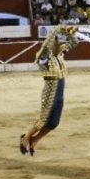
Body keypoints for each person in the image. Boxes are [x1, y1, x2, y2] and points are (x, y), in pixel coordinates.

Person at [20, 25, 80, 156]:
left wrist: (71, 33)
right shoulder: (43, 55)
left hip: (60, 88)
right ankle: (25, 138)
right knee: (43, 121)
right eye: (58, 41)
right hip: (50, 89)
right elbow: (48, 42)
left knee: (54, 123)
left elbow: (75, 42)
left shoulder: (59, 55)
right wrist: (60, 28)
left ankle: (34, 140)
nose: (60, 43)